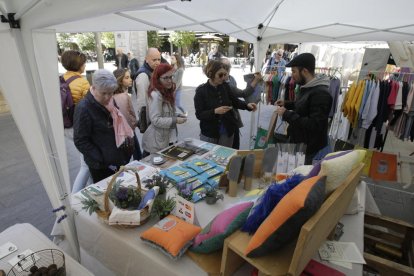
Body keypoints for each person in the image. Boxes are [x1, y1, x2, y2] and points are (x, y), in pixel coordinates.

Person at [74, 69, 134, 183]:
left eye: (111, 93)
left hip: (117, 158)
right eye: (104, 93)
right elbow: (80, 140)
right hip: (101, 166)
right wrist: (102, 158)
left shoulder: (110, 101)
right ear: (94, 88)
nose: (108, 97)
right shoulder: (84, 108)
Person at [275, 53, 333, 165]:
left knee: (302, 179)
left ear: (305, 71)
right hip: (300, 145)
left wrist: (287, 114)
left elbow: (315, 125)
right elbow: (304, 106)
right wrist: (287, 104)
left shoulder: (321, 93)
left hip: (309, 150)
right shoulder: (308, 87)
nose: (292, 75)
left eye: (294, 71)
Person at [194, 60, 257, 147]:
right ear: (211, 74)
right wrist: (215, 111)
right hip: (209, 133)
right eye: (220, 75)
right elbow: (199, 114)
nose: (223, 77)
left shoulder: (225, 86)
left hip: (227, 131)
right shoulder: (201, 91)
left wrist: (247, 106)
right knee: (208, 158)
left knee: (225, 157)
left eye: (225, 74)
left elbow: (235, 101)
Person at [60, 50, 93, 193]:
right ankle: (75, 196)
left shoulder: (60, 79)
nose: (85, 65)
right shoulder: (82, 82)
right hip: (79, 127)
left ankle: (93, 188)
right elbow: (91, 105)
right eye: (83, 62)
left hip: (65, 126)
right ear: (79, 64)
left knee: (87, 158)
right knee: (86, 164)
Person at [142, 64, 187, 155]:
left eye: (171, 77)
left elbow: (165, 113)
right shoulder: (156, 95)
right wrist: (175, 120)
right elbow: (155, 119)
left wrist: (177, 115)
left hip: (167, 138)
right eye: (166, 78)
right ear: (158, 79)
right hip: (158, 142)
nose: (170, 80)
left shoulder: (166, 91)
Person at [221, 58, 262, 149]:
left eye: (228, 68)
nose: (226, 72)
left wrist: (246, 106)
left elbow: (235, 100)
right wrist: (255, 81)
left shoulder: (230, 79)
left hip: (232, 119)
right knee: (229, 147)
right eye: (225, 68)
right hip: (225, 122)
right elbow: (242, 94)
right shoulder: (224, 84)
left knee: (233, 146)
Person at [113, 68, 142, 160]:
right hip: (128, 132)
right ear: (120, 80)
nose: (130, 79)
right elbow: (129, 116)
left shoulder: (112, 96)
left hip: (118, 132)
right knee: (136, 154)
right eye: (127, 78)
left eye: (130, 77)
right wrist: (135, 124)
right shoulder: (125, 96)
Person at [135, 48, 161, 128]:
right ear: (146, 59)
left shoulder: (153, 71)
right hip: (151, 118)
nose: (157, 62)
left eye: (159, 59)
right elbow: (142, 101)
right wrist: (145, 122)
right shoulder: (143, 75)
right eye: (154, 60)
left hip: (156, 115)